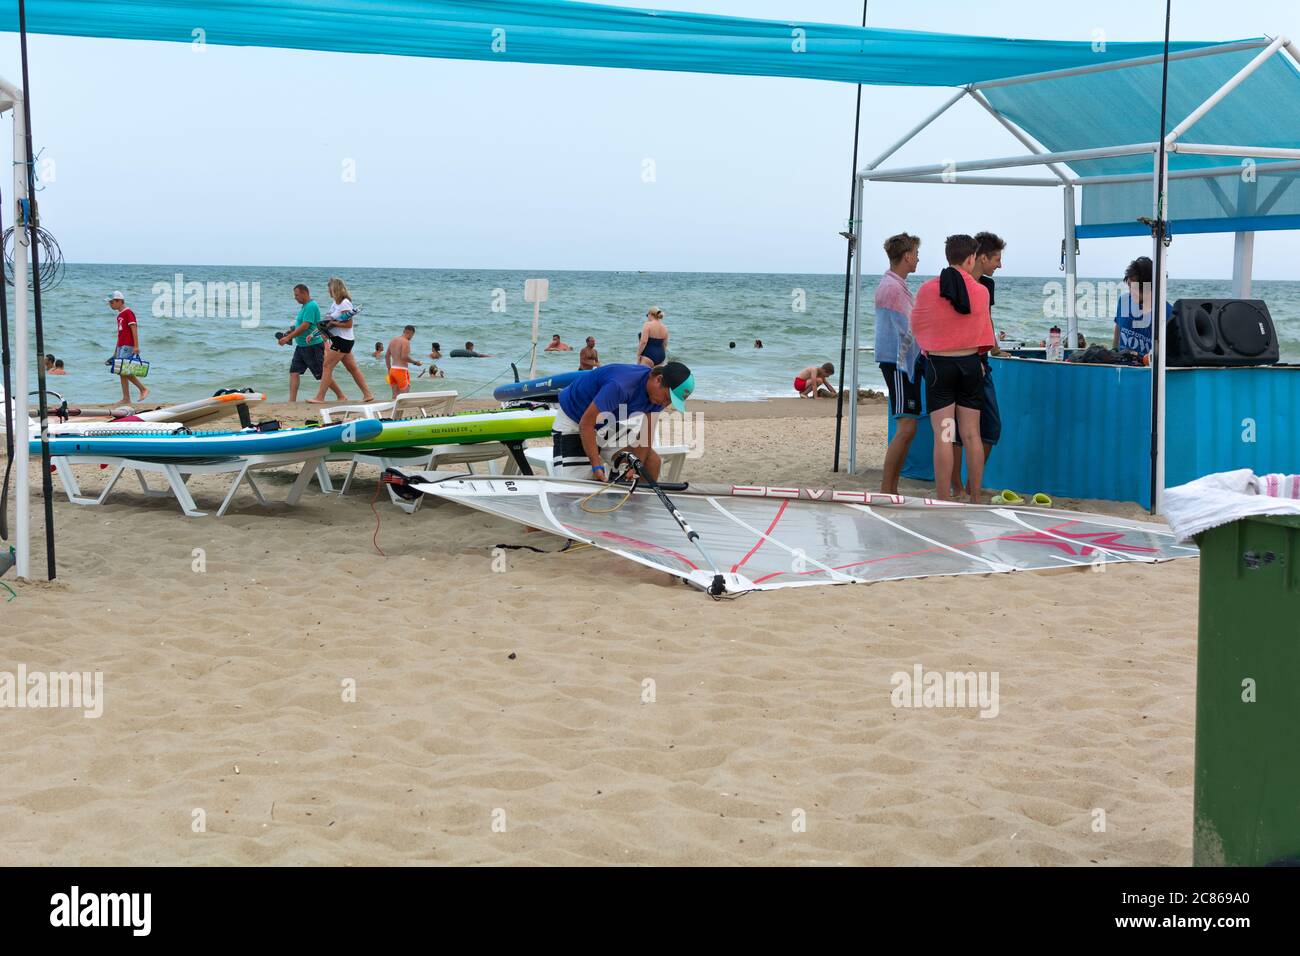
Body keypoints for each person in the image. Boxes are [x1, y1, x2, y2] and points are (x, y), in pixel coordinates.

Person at [909, 235, 994, 502]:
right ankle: (976, 496)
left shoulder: (927, 289)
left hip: (939, 366)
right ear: (971, 259)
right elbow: (985, 337)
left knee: (945, 435)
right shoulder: (981, 291)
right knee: (972, 434)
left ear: (948, 256)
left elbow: (916, 327)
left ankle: (943, 497)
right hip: (970, 365)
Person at [552, 362, 694, 481]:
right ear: (658, 379)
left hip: (607, 423)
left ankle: (636, 511)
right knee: (578, 483)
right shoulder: (621, 385)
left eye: (671, 401)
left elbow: (646, 435)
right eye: (667, 397)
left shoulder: (658, 397)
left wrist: (635, 465)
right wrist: (596, 465)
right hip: (575, 420)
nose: (665, 403)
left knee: (650, 463)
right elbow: (586, 424)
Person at [950, 231, 1005, 498]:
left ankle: (971, 484)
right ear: (981, 257)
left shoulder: (987, 286)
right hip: (958, 361)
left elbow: (986, 320)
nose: (1000, 265)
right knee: (956, 430)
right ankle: (958, 487)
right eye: (996, 259)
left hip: (979, 359)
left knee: (990, 427)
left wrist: (994, 348)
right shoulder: (952, 281)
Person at [875, 232, 923, 495]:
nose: (918, 258)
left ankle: (890, 488)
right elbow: (906, 328)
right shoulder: (892, 288)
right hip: (897, 362)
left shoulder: (896, 284)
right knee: (906, 425)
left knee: (909, 425)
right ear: (906, 256)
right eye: (916, 253)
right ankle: (886, 490)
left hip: (900, 361)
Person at [308, 277, 374, 404]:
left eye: (329, 288)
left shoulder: (345, 303)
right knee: (352, 368)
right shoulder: (335, 303)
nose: (328, 291)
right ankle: (367, 394)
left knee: (327, 366)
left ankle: (320, 397)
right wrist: (318, 331)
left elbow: (348, 324)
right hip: (342, 340)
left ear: (335, 289)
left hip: (342, 340)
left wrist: (333, 323)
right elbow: (329, 322)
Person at [277, 283, 344, 403]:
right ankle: (291, 401)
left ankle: (340, 395)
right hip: (301, 346)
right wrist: (290, 331)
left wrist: (288, 338)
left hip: (312, 345)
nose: (295, 297)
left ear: (304, 293)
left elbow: (305, 325)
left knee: (321, 374)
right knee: (294, 372)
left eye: (297, 295)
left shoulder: (311, 306)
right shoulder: (305, 307)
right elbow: (301, 324)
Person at [1113, 255, 1173, 356]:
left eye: (1135, 288)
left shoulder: (1167, 313)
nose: (1131, 292)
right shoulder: (1123, 300)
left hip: (1146, 370)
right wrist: (1113, 352)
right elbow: (1118, 327)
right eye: (1129, 285)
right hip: (1121, 365)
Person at [107, 291, 148, 403]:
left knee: (123, 370)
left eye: (112, 302)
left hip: (128, 345)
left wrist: (136, 346)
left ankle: (143, 389)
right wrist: (115, 351)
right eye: (110, 302)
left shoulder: (128, 313)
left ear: (119, 301)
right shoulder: (119, 315)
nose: (110, 304)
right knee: (121, 372)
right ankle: (126, 398)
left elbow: (134, 328)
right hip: (121, 346)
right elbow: (120, 334)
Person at [385, 325, 423, 398]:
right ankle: (401, 409)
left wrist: (389, 369)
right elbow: (404, 357)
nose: (411, 337)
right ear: (411, 333)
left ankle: (396, 409)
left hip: (392, 370)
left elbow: (387, 356)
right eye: (412, 335)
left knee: (395, 395)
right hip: (401, 370)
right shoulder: (406, 341)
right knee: (404, 395)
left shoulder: (393, 340)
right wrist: (415, 362)